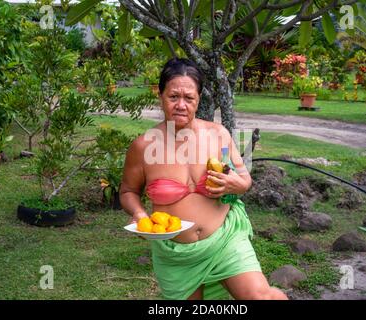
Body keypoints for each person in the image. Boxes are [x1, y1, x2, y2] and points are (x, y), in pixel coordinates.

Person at [119, 57, 288, 300]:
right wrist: (139, 215)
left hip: (225, 239)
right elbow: (127, 192)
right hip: (176, 253)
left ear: (198, 100)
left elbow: (244, 179)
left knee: (262, 297)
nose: (181, 105)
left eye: (189, 98)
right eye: (173, 96)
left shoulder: (218, 134)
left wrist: (237, 185)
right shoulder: (143, 146)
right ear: (160, 96)